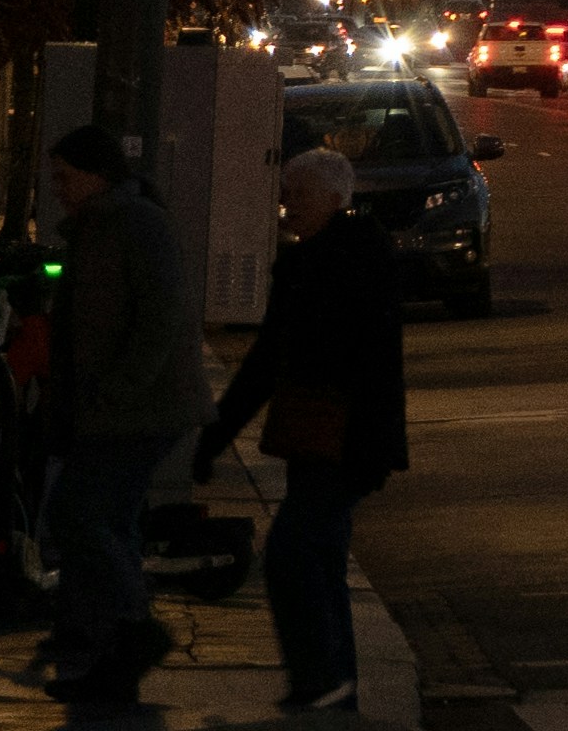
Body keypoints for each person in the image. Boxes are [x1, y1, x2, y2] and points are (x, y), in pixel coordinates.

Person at [201, 146, 408, 714]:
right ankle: (334, 683)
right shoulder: (356, 256)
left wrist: (214, 437)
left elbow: (272, 360)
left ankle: (322, 679)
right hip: (339, 438)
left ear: (336, 200)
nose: (287, 205)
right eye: (286, 192)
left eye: (300, 194)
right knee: (319, 556)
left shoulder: (325, 266)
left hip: (336, 437)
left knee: (293, 554)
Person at [35, 122, 209, 703]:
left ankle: (131, 628)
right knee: (101, 518)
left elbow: (160, 315)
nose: (56, 187)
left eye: (64, 176)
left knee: (82, 514)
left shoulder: (131, 225)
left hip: (135, 410)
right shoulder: (104, 226)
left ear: (96, 174)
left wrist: (118, 389)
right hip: (118, 406)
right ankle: (105, 646)